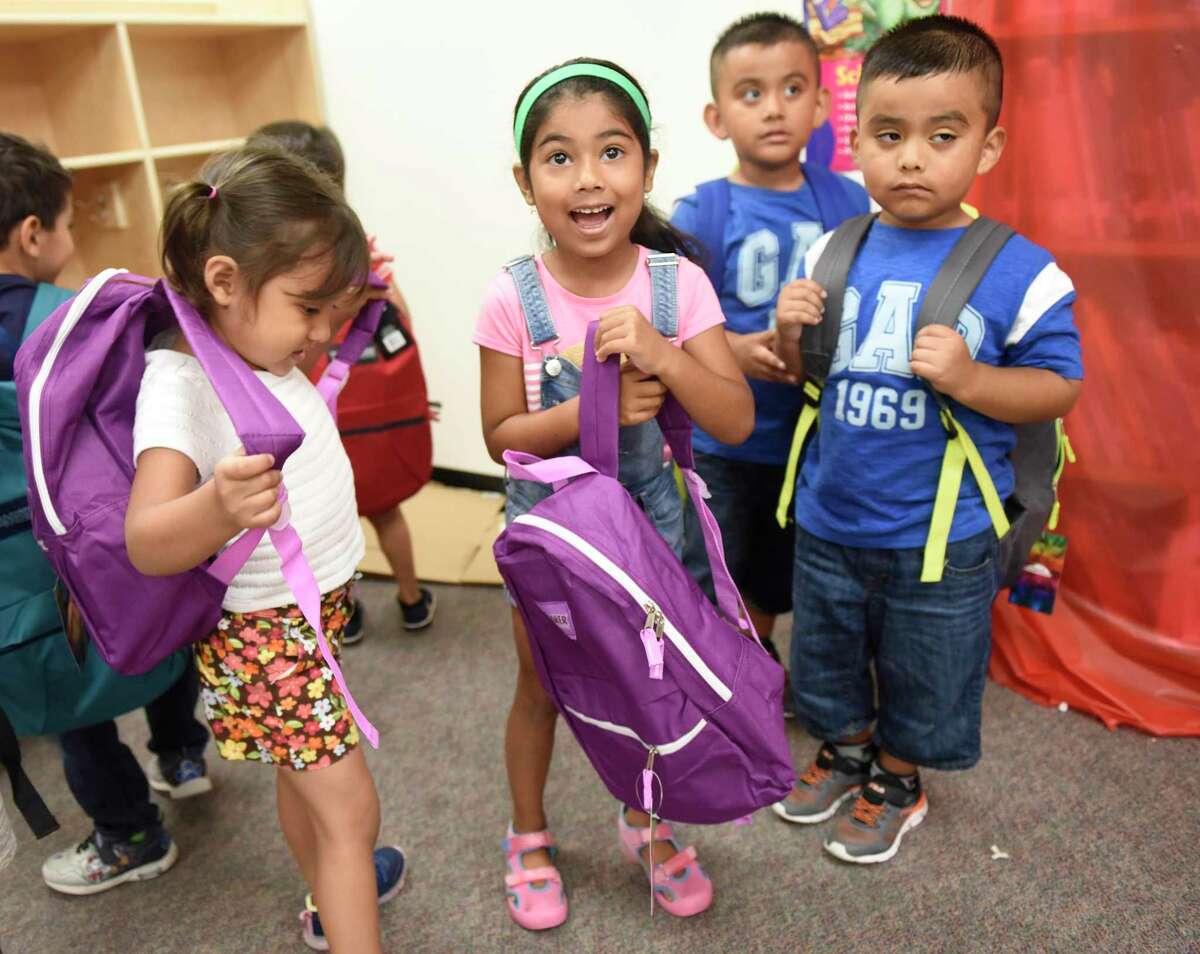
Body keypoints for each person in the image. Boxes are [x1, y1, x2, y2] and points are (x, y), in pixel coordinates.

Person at [771, 15, 1083, 863]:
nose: (911, 157)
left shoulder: (1021, 268)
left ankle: (899, 776)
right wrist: (789, 333)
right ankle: (844, 747)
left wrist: (972, 379)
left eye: (942, 136)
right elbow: (808, 376)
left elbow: (1061, 385)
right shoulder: (835, 244)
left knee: (927, 666)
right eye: (888, 134)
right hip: (833, 513)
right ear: (857, 140)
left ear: (987, 146)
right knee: (826, 651)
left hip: (941, 537)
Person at [474, 59, 753, 929]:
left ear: (648, 168)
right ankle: (528, 835)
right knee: (542, 685)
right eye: (559, 158)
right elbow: (500, 438)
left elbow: (736, 419)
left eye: (612, 152)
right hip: (553, 539)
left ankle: (648, 823)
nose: (589, 178)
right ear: (526, 182)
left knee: (648, 685)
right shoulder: (512, 298)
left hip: (650, 538)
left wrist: (668, 361)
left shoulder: (679, 287)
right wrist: (587, 408)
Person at [124, 145, 406, 952]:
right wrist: (215, 505)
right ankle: (344, 907)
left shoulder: (256, 347)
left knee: (305, 778)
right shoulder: (181, 383)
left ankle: (326, 899)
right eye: (309, 309)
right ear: (222, 282)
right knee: (353, 811)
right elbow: (146, 540)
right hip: (268, 635)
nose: (322, 332)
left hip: (308, 616)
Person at [0, 130, 215, 895]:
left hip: (21, 581)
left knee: (72, 710)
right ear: (34, 234)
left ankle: (128, 833)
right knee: (161, 639)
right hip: (117, 539)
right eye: (65, 225)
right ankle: (182, 756)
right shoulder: (79, 319)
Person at [671, 12, 869, 661]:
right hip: (726, 445)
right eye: (750, 93)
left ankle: (779, 660)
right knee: (723, 572)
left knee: (796, 570)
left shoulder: (849, 205)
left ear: (820, 104)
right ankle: (739, 668)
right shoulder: (702, 211)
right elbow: (664, 331)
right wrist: (733, 351)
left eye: (791, 90)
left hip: (818, 440)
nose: (774, 110)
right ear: (717, 117)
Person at [246, 121, 435, 640]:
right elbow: (404, 329)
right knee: (386, 513)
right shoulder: (365, 262)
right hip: (367, 424)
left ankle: (344, 611)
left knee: (327, 524)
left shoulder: (271, 282)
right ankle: (412, 598)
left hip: (310, 432)